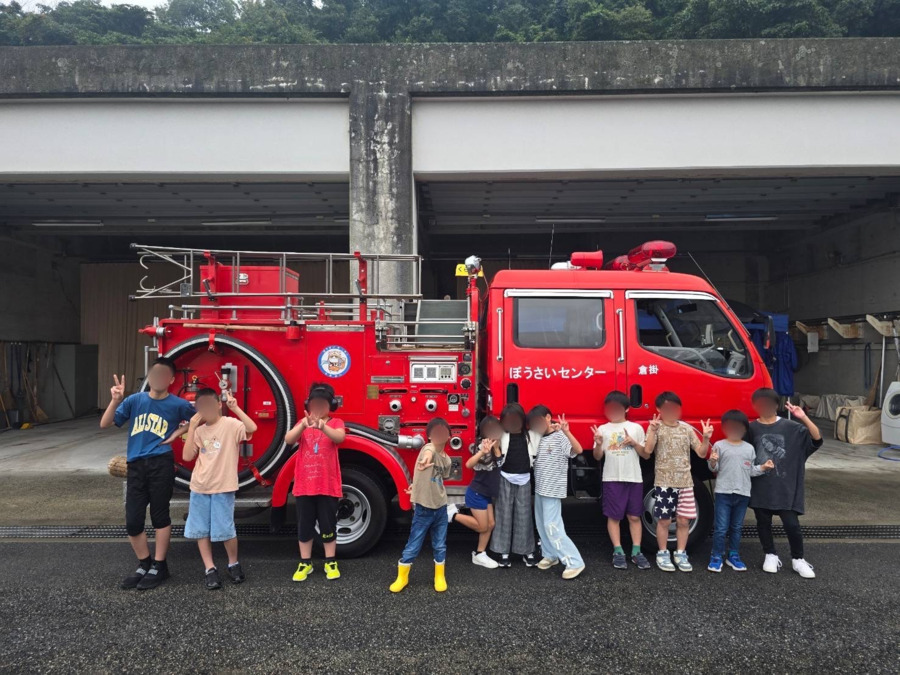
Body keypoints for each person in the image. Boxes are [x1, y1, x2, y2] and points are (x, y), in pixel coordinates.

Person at [99, 357, 196, 591]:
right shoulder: (134, 401)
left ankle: (160, 565)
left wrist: (177, 433)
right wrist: (115, 401)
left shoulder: (177, 404)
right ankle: (144, 563)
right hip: (136, 465)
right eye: (155, 374)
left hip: (161, 463)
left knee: (160, 516)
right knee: (133, 521)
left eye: (164, 375)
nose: (158, 378)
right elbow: (105, 423)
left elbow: (199, 417)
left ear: (171, 380)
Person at [183, 388, 258, 589]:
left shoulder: (231, 424)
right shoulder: (199, 430)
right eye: (201, 406)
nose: (205, 409)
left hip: (223, 486)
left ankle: (233, 563)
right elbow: (187, 456)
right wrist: (191, 426)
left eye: (209, 404)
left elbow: (252, 428)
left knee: (226, 529)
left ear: (218, 404)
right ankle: (210, 568)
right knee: (201, 530)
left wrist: (236, 408)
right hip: (199, 486)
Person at [748, 388, 823, 578]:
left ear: (775, 405)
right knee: (762, 522)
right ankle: (770, 554)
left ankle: (798, 559)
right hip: (761, 486)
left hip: (786, 487)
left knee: (791, 524)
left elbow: (817, 439)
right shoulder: (751, 428)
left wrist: (803, 417)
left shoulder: (791, 427)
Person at [644, 391, 712, 573]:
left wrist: (705, 438)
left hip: (686, 483)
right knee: (664, 521)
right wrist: (652, 430)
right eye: (667, 408)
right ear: (659, 409)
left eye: (675, 408)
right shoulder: (656, 428)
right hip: (664, 483)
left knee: (683, 521)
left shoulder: (687, 429)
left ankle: (681, 553)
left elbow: (701, 453)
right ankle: (662, 552)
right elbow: (648, 450)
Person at [285, 382, 346, 583]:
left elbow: (340, 438)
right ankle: (305, 562)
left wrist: (323, 426)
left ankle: (330, 561)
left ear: (331, 406)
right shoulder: (302, 423)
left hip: (327, 486)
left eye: (323, 404)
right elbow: (288, 439)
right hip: (304, 486)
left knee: (329, 524)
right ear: (308, 405)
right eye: (314, 404)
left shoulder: (335, 423)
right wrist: (303, 424)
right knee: (305, 525)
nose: (318, 408)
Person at [390, 417, 454, 593]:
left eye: (443, 432)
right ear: (429, 437)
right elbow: (428, 453)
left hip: (440, 506)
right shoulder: (428, 449)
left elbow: (441, 478)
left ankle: (439, 576)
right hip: (423, 509)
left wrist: (417, 485)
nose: (440, 435)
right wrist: (425, 461)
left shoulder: (447, 460)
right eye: (436, 432)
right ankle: (402, 576)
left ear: (449, 436)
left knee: (440, 544)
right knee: (414, 543)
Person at [706, 409, 774, 573]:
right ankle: (716, 556)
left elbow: (750, 470)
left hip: (743, 494)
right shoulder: (719, 445)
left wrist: (763, 468)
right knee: (721, 528)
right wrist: (712, 461)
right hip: (723, 492)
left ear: (745, 429)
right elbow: (714, 468)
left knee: (736, 527)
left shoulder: (749, 448)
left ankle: (733, 555)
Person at [591, 390, 652, 571]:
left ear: (626, 409)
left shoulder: (636, 428)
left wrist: (634, 442)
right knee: (614, 516)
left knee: (634, 516)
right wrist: (599, 443)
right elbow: (597, 456)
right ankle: (618, 551)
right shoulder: (602, 429)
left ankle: (636, 551)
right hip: (611, 478)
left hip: (634, 478)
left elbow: (646, 455)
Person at [528, 405, 586, 580]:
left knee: (552, 526)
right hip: (540, 488)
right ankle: (550, 555)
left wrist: (567, 432)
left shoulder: (560, 436)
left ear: (548, 417)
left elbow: (578, 450)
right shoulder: (537, 438)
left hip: (552, 490)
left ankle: (574, 561)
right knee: (541, 524)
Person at [490, 403, 542, 568]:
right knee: (503, 515)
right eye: (508, 420)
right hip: (505, 478)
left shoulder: (533, 435)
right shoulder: (500, 436)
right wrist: (496, 448)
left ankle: (527, 551)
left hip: (525, 478)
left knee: (524, 515)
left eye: (515, 419)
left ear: (522, 419)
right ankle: (503, 553)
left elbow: (547, 432)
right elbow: (497, 461)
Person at [449, 415, 503, 569]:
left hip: (486, 493)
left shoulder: (497, 445)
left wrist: (496, 447)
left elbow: (498, 465)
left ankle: (480, 554)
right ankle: (453, 514)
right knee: (482, 526)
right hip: (477, 493)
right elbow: (468, 464)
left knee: (491, 524)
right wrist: (482, 452)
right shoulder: (483, 446)